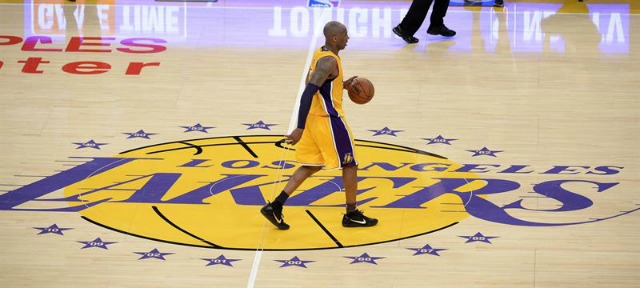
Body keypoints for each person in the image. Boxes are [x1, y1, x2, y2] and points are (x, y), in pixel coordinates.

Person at [260, 21, 378, 230]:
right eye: (344, 35)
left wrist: (341, 85)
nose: (347, 38)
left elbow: (318, 85)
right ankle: (351, 214)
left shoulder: (320, 54)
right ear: (334, 38)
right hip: (328, 120)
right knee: (350, 164)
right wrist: (299, 127)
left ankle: (275, 206)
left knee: (311, 165)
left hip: (317, 118)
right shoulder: (328, 62)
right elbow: (308, 92)